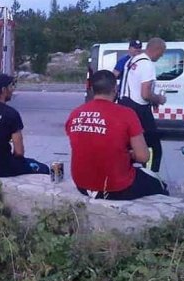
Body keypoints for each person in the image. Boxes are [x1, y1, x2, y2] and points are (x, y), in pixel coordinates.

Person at [66, 70, 169, 200]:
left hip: (82, 185)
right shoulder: (127, 114)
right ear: (115, 88)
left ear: (92, 89)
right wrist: (130, 154)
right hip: (117, 187)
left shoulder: (75, 113)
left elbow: (86, 144)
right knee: (160, 185)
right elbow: (143, 157)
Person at [0, 73, 50, 177]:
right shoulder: (11, 114)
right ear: (3, 90)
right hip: (3, 168)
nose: (12, 90)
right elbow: (19, 152)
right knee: (44, 168)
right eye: (11, 86)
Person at [118, 37, 167, 173]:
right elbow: (145, 94)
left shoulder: (132, 60)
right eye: (161, 53)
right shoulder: (147, 64)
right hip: (139, 108)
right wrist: (158, 99)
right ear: (156, 50)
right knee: (153, 147)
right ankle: (152, 177)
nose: (161, 56)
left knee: (128, 145)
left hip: (124, 105)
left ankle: (123, 172)